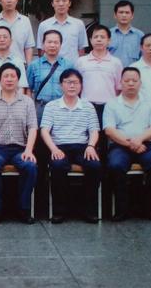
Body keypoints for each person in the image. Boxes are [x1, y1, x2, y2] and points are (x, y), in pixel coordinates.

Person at [104, 67, 151, 221]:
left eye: (134, 80)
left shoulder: (150, 103)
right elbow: (109, 130)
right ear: (120, 83)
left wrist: (138, 140)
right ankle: (121, 210)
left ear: (140, 83)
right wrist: (130, 143)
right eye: (127, 80)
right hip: (120, 145)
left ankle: (150, 209)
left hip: (146, 144)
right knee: (116, 165)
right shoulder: (112, 104)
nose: (131, 83)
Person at [40, 69, 101, 224]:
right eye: (68, 82)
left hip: (82, 146)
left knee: (94, 165)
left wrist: (91, 146)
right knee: (58, 166)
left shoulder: (88, 106)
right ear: (61, 85)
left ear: (81, 85)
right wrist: (54, 149)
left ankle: (89, 210)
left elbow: (94, 130)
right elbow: (44, 131)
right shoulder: (52, 106)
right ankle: (59, 211)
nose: (72, 86)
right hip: (60, 146)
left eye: (75, 82)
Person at [0, 63, 38, 225]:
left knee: (30, 166)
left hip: (20, 149)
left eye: (13, 76)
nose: (9, 79)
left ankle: (23, 209)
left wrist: (29, 150)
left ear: (18, 80)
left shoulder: (27, 102)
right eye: (6, 76)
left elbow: (33, 128)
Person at [76, 25, 123, 123]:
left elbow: (119, 88)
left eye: (102, 37)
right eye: (96, 37)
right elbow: (77, 86)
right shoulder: (81, 62)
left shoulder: (116, 63)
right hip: (86, 107)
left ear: (109, 41)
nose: (99, 40)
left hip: (109, 108)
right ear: (90, 40)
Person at [27, 29, 73, 123]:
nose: (52, 45)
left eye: (56, 42)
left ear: (60, 45)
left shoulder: (68, 65)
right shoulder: (34, 65)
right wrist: (31, 108)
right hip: (41, 108)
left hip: (62, 108)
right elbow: (28, 89)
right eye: (49, 42)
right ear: (43, 44)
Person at [36, 0, 88, 64]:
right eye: (57, 1)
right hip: (50, 68)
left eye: (64, 0)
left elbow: (81, 50)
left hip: (72, 68)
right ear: (52, 3)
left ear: (69, 3)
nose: (61, 4)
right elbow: (41, 51)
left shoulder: (78, 24)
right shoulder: (44, 25)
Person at [109, 0, 144, 67]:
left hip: (133, 72)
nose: (124, 15)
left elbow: (143, 57)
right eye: (121, 12)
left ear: (132, 15)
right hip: (112, 72)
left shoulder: (140, 35)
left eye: (127, 12)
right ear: (115, 15)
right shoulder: (108, 34)